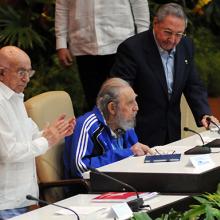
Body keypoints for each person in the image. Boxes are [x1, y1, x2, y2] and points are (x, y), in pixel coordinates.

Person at [111, 3, 219, 147]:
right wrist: (127, 135)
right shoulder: (132, 49)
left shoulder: (186, 46)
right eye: (168, 32)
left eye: (179, 34)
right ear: (155, 23)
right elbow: (119, 93)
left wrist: (204, 113)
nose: (173, 39)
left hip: (172, 130)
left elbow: (193, 85)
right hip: (139, 133)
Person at [0, 46, 75, 220]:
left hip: (22, 199)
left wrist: (55, 133)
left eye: (29, 72)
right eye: (21, 72)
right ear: (1, 73)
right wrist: (47, 140)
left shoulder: (15, 97)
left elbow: (30, 138)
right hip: (5, 202)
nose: (27, 79)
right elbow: (8, 152)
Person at [55, 0, 150, 110]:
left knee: (125, 100)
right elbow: (62, 5)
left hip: (120, 44)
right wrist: (61, 42)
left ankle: (128, 127)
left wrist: (142, 39)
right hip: (84, 44)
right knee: (94, 102)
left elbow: (139, 3)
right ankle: (98, 127)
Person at [64, 77, 153, 178]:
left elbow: (134, 153)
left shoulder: (125, 124)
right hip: (89, 189)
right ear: (112, 108)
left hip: (120, 183)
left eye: (135, 101)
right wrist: (126, 153)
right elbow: (80, 167)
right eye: (129, 103)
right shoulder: (87, 125)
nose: (136, 107)